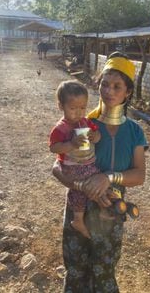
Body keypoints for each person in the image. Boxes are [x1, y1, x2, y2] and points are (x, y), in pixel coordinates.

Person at [52, 52, 147, 292]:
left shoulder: (135, 131)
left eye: (117, 86)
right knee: (76, 269)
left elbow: (139, 175)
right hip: (80, 207)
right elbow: (57, 166)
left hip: (111, 206)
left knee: (104, 270)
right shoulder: (83, 125)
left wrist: (108, 178)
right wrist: (83, 187)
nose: (109, 91)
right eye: (105, 84)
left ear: (128, 92)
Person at [49, 81, 102, 239]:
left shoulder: (85, 122)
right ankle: (78, 220)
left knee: (98, 180)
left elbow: (98, 135)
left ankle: (103, 208)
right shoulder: (60, 128)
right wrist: (70, 144)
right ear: (61, 106)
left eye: (82, 108)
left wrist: (95, 137)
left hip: (88, 162)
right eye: (73, 108)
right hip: (72, 167)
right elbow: (54, 147)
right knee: (79, 190)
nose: (78, 113)